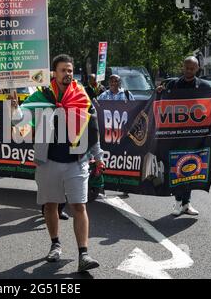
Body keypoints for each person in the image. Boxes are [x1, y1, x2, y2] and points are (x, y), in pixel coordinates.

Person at [11, 54, 104, 272]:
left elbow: (93, 130)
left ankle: (84, 254)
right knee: (50, 205)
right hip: (48, 161)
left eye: (70, 70)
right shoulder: (41, 96)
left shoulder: (81, 96)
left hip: (76, 160)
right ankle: (55, 244)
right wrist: (14, 107)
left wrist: (98, 157)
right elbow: (19, 120)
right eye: (63, 70)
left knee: (79, 205)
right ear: (54, 73)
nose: (67, 73)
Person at [156, 56, 211, 216]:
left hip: (194, 136)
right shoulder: (172, 85)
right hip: (174, 135)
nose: (188, 71)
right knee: (175, 168)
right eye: (186, 68)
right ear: (183, 67)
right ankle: (177, 202)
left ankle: (187, 204)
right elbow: (159, 103)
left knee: (191, 168)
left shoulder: (205, 86)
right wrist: (158, 92)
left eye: (192, 68)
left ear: (197, 69)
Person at [98, 74, 134, 198]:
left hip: (122, 134)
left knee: (123, 160)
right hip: (107, 133)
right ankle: (102, 187)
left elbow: (134, 109)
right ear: (109, 82)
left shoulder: (127, 94)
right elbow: (97, 111)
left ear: (120, 82)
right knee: (106, 160)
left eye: (116, 80)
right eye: (111, 80)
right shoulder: (103, 96)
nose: (114, 83)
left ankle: (125, 187)